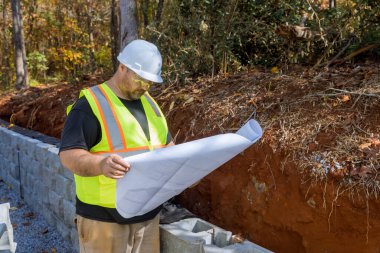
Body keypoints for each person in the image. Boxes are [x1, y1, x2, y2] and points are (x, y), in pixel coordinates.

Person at [59, 39, 174, 253]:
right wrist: (101, 164)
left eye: (150, 82)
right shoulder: (90, 105)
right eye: (140, 79)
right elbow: (68, 155)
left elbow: (168, 147)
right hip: (104, 220)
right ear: (122, 67)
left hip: (147, 217)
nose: (145, 87)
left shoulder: (150, 103)